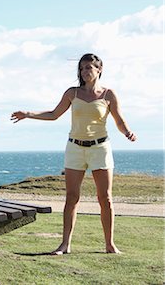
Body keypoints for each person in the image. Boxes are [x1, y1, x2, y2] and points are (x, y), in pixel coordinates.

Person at [11, 53, 136, 254]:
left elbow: (119, 121)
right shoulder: (72, 93)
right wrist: (28, 114)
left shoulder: (108, 94)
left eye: (89, 67)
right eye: (83, 68)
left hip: (100, 148)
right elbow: (53, 114)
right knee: (72, 197)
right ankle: (65, 245)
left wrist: (127, 132)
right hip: (75, 149)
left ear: (99, 69)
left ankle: (110, 245)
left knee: (105, 198)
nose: (85, 71)